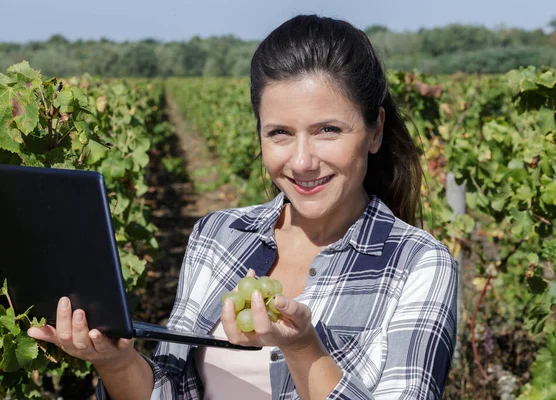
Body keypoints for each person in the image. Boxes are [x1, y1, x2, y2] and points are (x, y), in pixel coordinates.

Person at [27, 14, 458, 400]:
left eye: (328, 130)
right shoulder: (218, 235)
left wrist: (302, 348)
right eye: (279, 133)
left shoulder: (419, 265)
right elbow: (171, 390)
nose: (302, 160)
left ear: (375, 131)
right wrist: (116, 362)